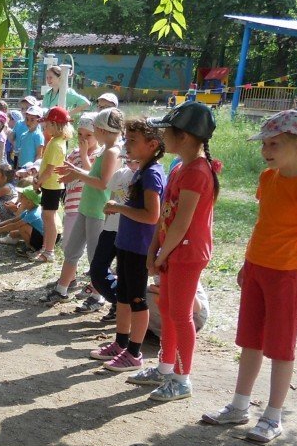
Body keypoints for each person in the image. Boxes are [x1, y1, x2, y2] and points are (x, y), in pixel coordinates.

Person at [202, 110, 297, 443]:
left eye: (274, 144)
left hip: (286, 278)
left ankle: (273, 417)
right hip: (257, 271)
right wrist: (247, 264)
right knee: (250, 341)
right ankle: (239, 406)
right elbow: (264, 224)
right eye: (264, 144)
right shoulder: (267, 178)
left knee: (281, 349)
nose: (266, 150)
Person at [129, 101, 219, 400]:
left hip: (186, 254)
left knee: (180, 315)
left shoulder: (198, 172)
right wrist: (154, 249)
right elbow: (167, 216)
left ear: (185, 136)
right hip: (171, 250)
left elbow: (182, 223)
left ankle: (181, 379)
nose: (162, 135)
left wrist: (161, 254)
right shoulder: (180, 167)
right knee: (168, 310)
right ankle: (165, 368)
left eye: (167, 131)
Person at [90, 118, 165, 372]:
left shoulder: (152, 174)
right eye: (127, 139)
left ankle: (134, 353)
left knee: (136, 300)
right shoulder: (141, 171)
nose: (127, 144)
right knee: (122, 296)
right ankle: (120, 343)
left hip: (139, 248)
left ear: (152, 145)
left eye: (133, 140)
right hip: (126, 242)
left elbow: (152, 215)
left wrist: (119, 207)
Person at [47, 109, 121, 304]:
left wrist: (77, 173)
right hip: (86, 207)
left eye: (94, 129)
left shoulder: (112, 152)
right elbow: (94, 175)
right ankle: (61, 290)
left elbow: (103, 183)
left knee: (95, 258)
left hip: (98, 211)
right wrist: (75, 171)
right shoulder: (105, 150)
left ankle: (98, 296)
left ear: (102, 130)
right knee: (72, 250)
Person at [84, 155, 140, 318]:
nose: (131, 163)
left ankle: (124, 310)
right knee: (97, 270)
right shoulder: (120, 174)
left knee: (126, 273)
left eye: (135, 160)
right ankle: (120, 302)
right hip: (111, 229)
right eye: (128, 159)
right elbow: (111, 201)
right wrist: (107, 217)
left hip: (131, 231)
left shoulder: (146, 176)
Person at [31, 106, 72, 263]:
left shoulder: (56, 144)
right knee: (46, 217)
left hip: (52, 186)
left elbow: (49, 171)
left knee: (49, 218)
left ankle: (49, 251)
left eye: (47, 124)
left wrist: (38, 182)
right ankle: (46, 248)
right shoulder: (56, 141)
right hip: (50, 185)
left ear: (55, 124)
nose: (45, 127)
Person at [0, 187, 46, 255]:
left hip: (43, 240)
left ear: (29, 202)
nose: (19, 200)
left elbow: (15, 225)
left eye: (22, 197)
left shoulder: (33, 214)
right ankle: (22, 241)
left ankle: (31, 249)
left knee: (23, 227)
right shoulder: (29, 210)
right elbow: (13, 220)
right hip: (39, 234)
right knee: (13, 233)